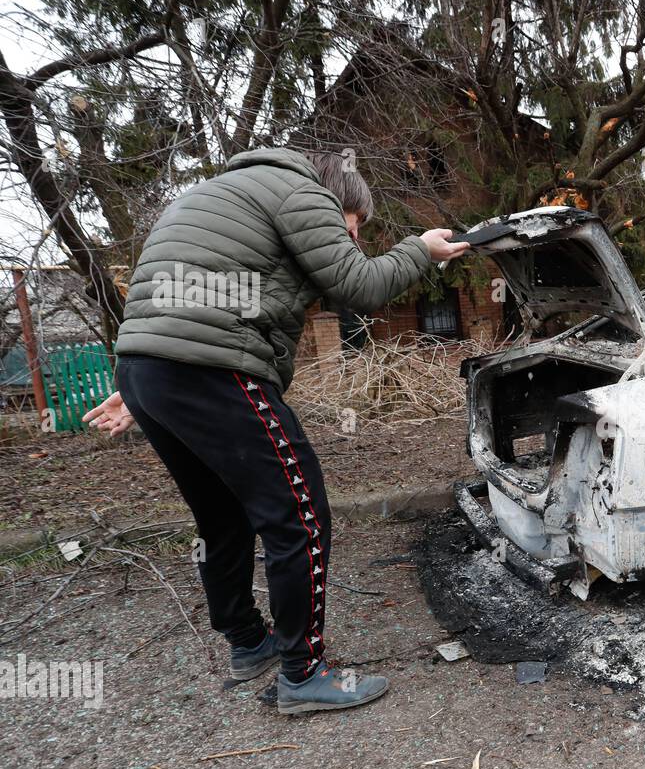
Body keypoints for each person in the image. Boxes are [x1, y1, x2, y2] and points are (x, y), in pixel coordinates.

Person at [84, 147, 469, 714]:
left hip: (149, 368)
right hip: (210, 372)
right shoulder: (301, 191)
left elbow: (214, 297)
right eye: (354, 226)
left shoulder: (216, 197)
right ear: (342, 200)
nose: (354, 239)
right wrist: (421, 251)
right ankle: (302, 672)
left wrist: (156, 378)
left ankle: (247, 642)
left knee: (222, 517)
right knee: (299, 516)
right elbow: (357, 285)